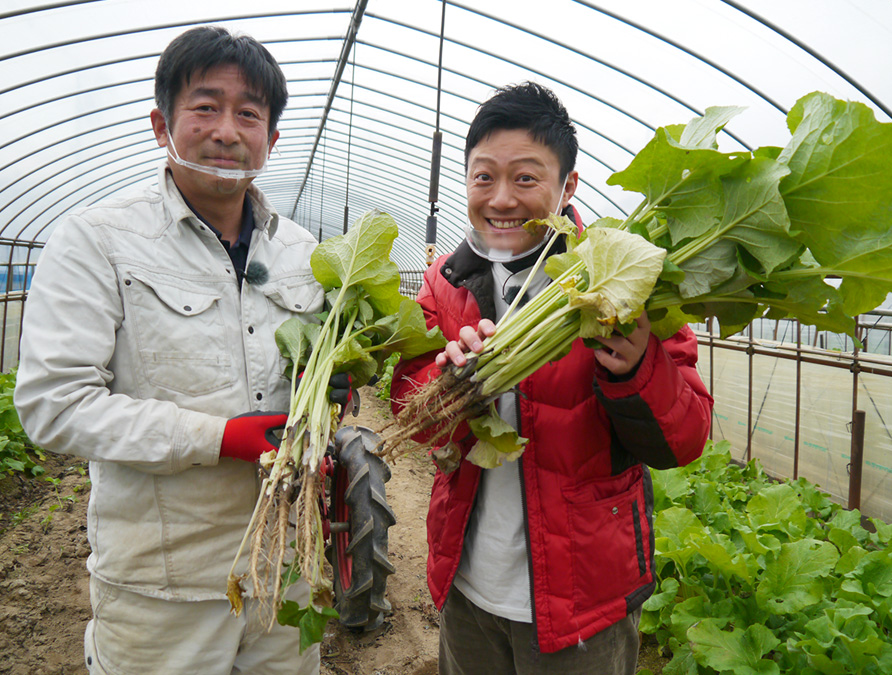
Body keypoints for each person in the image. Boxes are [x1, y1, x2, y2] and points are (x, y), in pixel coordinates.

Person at [14, 26, 331, 675]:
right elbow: (54, 404)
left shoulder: (306, 254)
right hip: (165, 589)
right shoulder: (98, 241)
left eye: (249, 114)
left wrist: (334, 388)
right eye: (205, 106)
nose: (226, 130)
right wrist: (221, 437)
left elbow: (321, 369)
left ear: (270, 140)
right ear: (163, 124)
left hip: (285, 571)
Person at [391, 82, 714, 674]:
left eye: (526, 178)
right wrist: (442, 390)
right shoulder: (444, 281)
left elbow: (687, 439)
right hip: (467, 581)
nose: (501, 198)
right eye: (483, 177)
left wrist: (638, 367)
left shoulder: (625, 280)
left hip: (582, 596)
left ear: (568, 186)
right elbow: (410, 416)